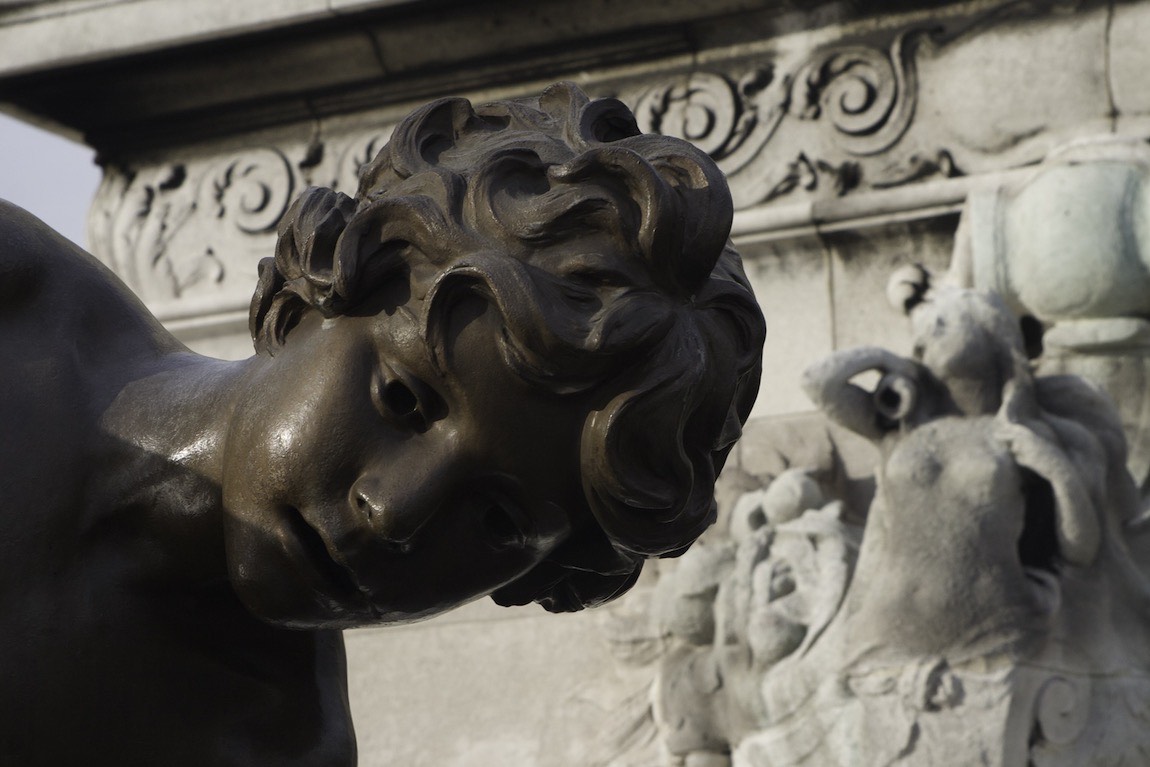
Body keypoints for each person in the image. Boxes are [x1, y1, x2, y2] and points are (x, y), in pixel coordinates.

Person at [0, 82, 764, 765]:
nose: (396, 510)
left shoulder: (269, 748)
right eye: (402, 398)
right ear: (320, 282)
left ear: (537, 576)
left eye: (497, 521)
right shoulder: (14, 306)